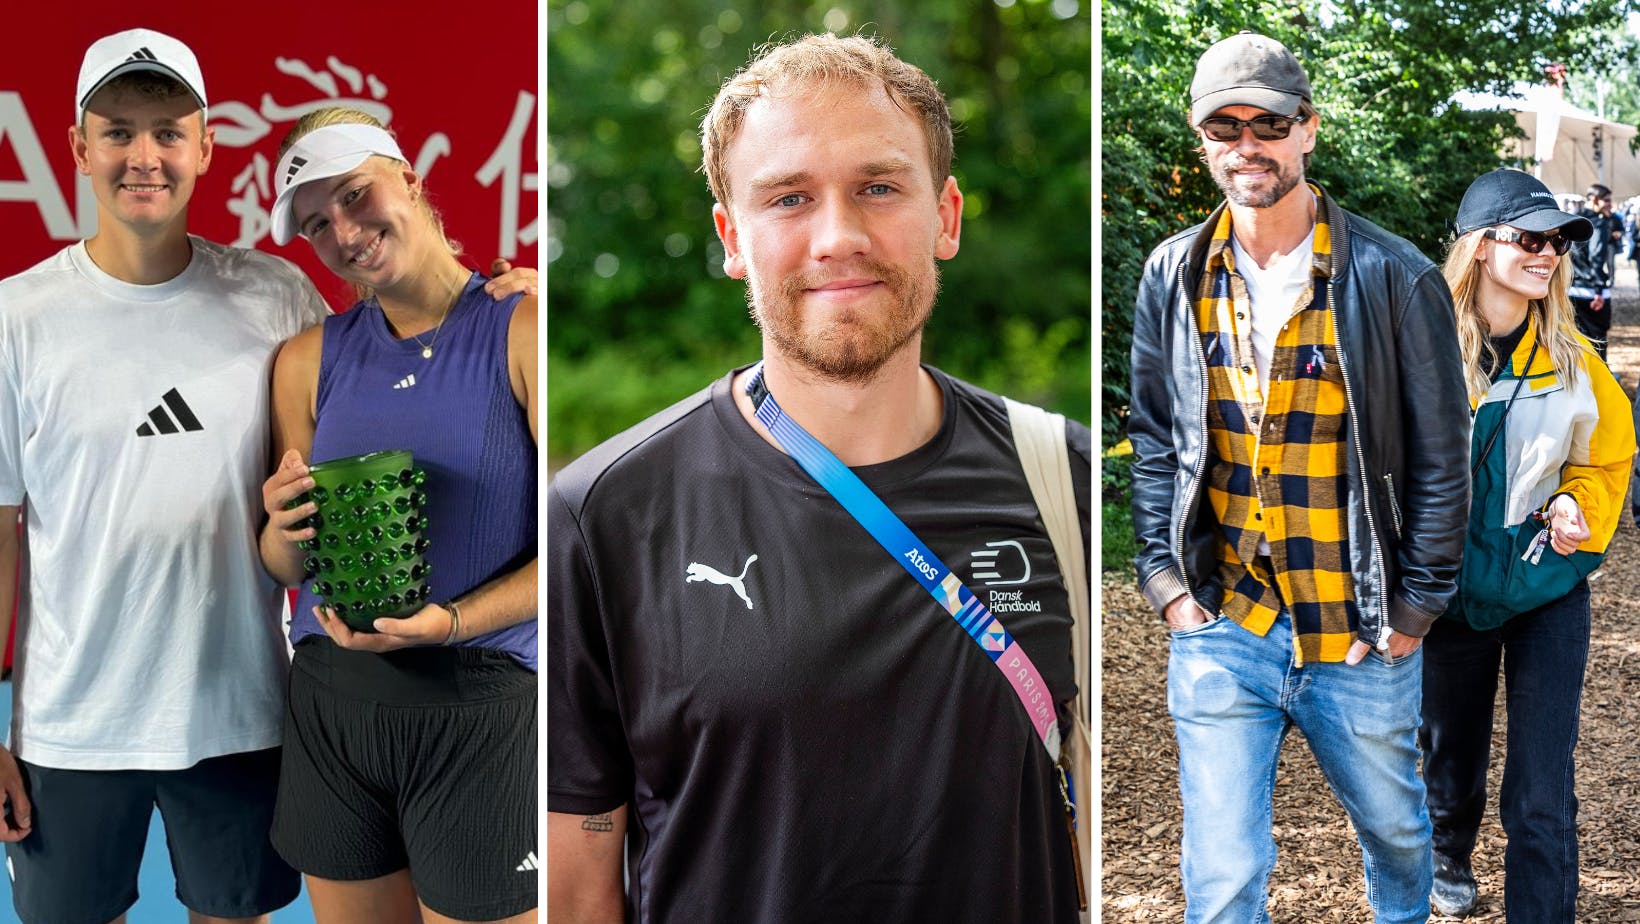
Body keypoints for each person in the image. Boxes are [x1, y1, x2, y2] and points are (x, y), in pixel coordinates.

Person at [546, 33, 1090, 923]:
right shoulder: (604, 514)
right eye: (790, 197)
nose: (838, 236)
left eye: (878, 187)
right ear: (732, 237)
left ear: (946, 215)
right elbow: (578, 885)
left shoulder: (1061, 478)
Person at [1127, 31, 1471, 922]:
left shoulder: (1396, 276)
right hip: (1223, 624)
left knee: (1399, 838)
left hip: (1356, 629)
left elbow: (1441, 458)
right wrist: (1168, 585)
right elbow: (1158, 437)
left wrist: (1414, 611)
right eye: (1223, 127)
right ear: (1202, 141)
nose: (1247, 145)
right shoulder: (1173, 272)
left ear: (1307, 129)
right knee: (1224, 876)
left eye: (1268, 123)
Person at [0, 29, 328, 924]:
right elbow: (0, 531)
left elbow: (383, 387)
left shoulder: (278, 297)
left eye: (168, 131)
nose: (144, 156)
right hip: (71, 723)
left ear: (206, 146)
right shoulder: (17, 318)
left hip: (239, 709)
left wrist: (495, 302)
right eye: (118, 131)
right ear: (77, 147)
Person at [257, 107, 538, 923]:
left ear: (408, 178)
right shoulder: (307, 360)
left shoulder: (522, 328)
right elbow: (287, 569)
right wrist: (280, 528)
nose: (343, 232)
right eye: (316, 224)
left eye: (354, 196)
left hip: (478, 702)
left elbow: (573, 551)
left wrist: (450, 621)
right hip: (332, 703)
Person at [1419, 169, 1634, 921]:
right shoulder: (1421, 352)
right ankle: (1447, 847)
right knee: (1452, 760)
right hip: (1447, 594)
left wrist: (1577, 501)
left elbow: (1604, 460)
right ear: (1480, 247)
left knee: (1541, 790)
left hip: (1544, 592)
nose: (1547, 255)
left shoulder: (1577, 364)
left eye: (1557, 242)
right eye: (1529, 239)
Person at [1570, 183, 1623, 358]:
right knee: (1598, 345)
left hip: (1572, 291)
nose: (1609, 204)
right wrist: (1599, 290)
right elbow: (1596, 258)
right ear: (1594, 199)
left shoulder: (1573, 220)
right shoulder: (1597, 224)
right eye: (1606, 200)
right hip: (1593, 292)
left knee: (1577, 343)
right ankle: (1599, 383)